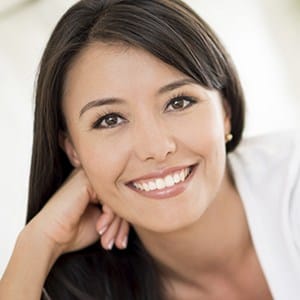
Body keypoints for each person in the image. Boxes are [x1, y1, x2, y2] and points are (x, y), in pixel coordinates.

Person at [0, 0, 299, 299]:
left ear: (225, 110)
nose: (155, 148)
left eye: (178, 102)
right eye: (110, 120)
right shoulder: (87, 286)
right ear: (73, 149)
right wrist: (38, 242)